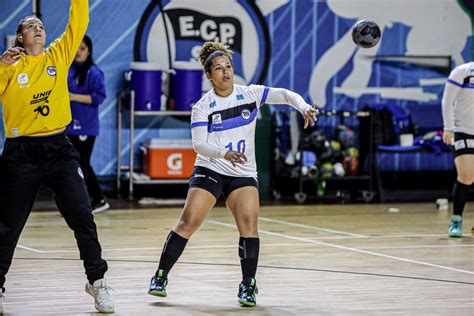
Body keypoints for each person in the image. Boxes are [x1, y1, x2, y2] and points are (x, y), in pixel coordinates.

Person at [148, 42, 318, 307]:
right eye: (219, 68)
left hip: (243, 171)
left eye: (228, 66)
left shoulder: (249, 94)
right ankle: (160, 276)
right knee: (188, 221)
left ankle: (248, 285)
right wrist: (223, 154)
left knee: (249, 223)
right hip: (211, 167)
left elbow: (285, 95)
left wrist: (303, 106)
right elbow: (198, 145)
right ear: (209, 76)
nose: (226, 72)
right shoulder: (203, 106)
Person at [0, 0, 114, 313]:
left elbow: (78, 21)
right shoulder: (10, 66)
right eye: (30, 27)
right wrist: (1, 63)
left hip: (59, 149)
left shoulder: (58, 55)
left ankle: (98, 282)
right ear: (20, 37)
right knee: (8, 225)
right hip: (20, 153)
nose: (37, 29)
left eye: (40, 26)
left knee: (82, 216)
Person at [66, 35, 109, 214]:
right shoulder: (68, 70)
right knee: (72, 164)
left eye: (82, 48)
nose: (78, 51)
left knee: (83, 164)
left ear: (89, 51)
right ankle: (76, 203)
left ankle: (98, 199)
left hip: (86, 127)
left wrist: (73, 96)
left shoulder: (94, 72)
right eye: (76, 47)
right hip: (68, 125)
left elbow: (99, 97)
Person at [442, 61, 474, 238]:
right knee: (466, 176)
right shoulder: (463, 71)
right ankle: (456, 220)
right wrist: (448, 128)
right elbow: (447, 100)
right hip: (463, 130)